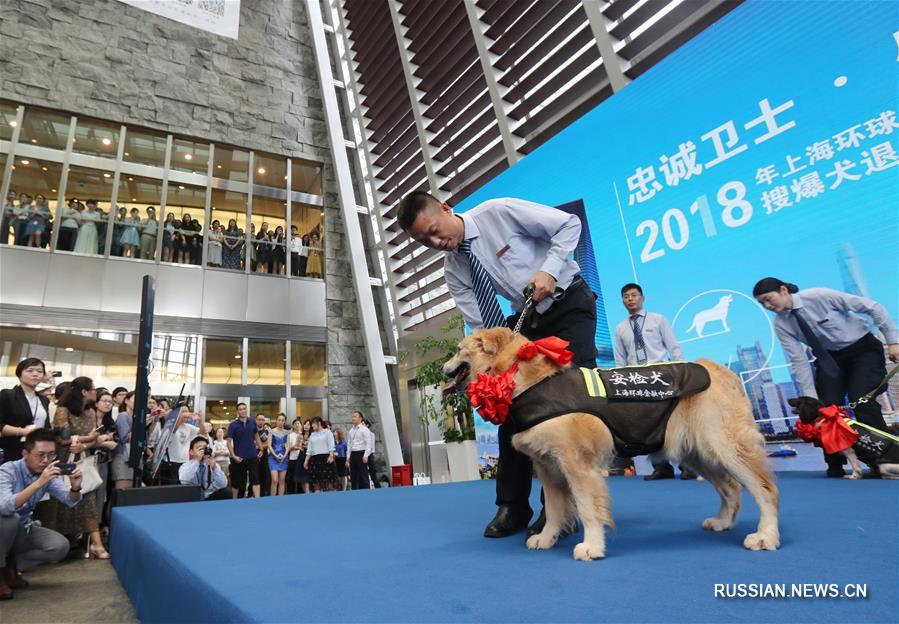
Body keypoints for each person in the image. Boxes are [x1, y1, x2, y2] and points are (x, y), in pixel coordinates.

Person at [398, 191, 597, 538]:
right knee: (512, 406)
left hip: (568, 305)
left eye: (433, 229)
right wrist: (488, 373)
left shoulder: (498, 212)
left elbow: (569, 224)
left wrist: (548, 270)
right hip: (527, 321)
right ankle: (512, 506)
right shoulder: (455, 270)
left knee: (572, 400)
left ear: (446, 209)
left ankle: (563, 507)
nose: (434, 241)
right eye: (423, 240)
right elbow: (481, 326)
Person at [753, 277, 899, 478]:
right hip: (828, 359)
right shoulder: (781, 324)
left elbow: (873, 307)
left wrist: (893, 341)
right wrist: (809, 398)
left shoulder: (820, 296)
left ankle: (887, 460)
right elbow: (799, 361)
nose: (768, 306)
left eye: (769, 299)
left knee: (862, 402)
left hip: (862, 350)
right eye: (762, 304)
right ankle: (835, 463)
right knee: (824, 409)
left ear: (783, 290)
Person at [611, 283, 696, 480]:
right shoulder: (620, 328)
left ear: (642, 298)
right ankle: (661, 467)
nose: (630, 299)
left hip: (662, 375)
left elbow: (674, 348)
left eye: (633, 295)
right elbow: (619, 360)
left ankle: (687, 465)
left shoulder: (658, 319)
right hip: (637, 381)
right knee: (648, 426)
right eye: (626, 296)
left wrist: (681, 375)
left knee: (673, 422)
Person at [0, 429, 83, 600]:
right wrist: (39, 483)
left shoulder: (48, 474)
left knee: (60, 546)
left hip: (25, 527)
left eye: (51, 455)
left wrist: (75, 487)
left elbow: (70, 501)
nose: (46, 461)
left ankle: (11, 567)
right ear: (26, 454)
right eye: (40, 455)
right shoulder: (8, 470)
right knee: (10, 519)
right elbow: (5, 507)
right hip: (5, 527)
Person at [0, 358, 52, 465]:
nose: (35, 374)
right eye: (30, 370)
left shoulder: (44, 400)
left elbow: (46, 426)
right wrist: (23, 432)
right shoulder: (8, 395)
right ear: (20, 374)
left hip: (40, 453)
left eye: (39, 371)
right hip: (14, 450)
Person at [225, 403, 262, 499]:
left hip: (252, 456)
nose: (243, 411)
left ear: (247, 410)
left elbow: (256, 435)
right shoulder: (233, 425)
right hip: (238, 458)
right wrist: (233, 456)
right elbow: (228, 442)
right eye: (240, 409)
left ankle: (258, 501)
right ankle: (234, 501)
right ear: (237, 412)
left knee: (255, 480)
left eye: (244, 409)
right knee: (237, 483)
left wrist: (261, 448)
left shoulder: (253, 421)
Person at [179, 436, 230, 501]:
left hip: (208, 495)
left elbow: (223, 484)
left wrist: (215, 468)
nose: (202, 450)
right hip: (192, 496)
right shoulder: (185, 466)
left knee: (227, 492)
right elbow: (185, 480)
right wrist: (197, 461)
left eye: (205, 448)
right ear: (191, 452)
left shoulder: (211, 463)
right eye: (199, 448)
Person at [304, 417, 336, 493]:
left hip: (326, 458)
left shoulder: (327, 432)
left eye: (313, 424)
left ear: (319, 423)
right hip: (315, 460)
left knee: (329, 483)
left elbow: (331, 445)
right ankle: (317, 501)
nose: (312, 426)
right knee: (316, 484)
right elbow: (309, 449)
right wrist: (306, 461)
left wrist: (331, 456)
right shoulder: (312, 435)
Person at [347, 411, 372, 491]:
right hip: (353, 454)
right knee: (353, 475)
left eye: (355, 416)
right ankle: (355, 492)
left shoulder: (364, 429)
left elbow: (368, 443)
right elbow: (349, 444)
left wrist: (366, 455)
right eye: (353, 416)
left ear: (360, 418)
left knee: (363, 475)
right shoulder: (351, 431)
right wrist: (348, 456)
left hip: (361, 453)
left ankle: (366, 493)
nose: (353, 418)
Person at [267, 414, 289, 495]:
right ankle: (273, 500)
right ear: (276, 420)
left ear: (284, 421)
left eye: (282, 420)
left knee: (282, 480)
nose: (280, 422)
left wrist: (284, 456)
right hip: (273, 458)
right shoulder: (271, 431)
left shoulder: (287, 432)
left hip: (284, 457)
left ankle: (281, 500)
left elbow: (288, 446)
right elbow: (269, 445)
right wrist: (275, 456)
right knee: (275, 480)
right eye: (279, 420)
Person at [255, 414, 271, 496]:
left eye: (262, 420)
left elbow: (267, 444)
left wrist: (258, 446)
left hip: (264, 457)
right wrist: (260, 445)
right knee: (255, 478)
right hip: (253, 457)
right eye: (259, 419)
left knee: (265, 477)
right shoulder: (252, 431)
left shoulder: (266, 432)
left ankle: (264, 496)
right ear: (256, 420)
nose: (261, 421)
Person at [293, 419, 311, 494]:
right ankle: (306, 493)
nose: (306, 426)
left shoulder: (312, 435)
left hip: (309, 456)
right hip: (301, 456)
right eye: (305, 424)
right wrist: (300, 447)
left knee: (306, 477)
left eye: (308, 424)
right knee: (300, 478)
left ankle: (307, 493)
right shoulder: (300, 435)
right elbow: (295, 446)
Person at [362, 418, 380, 489]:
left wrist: (366, 454)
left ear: (367, 425)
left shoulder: (371, 434)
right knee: (363, 473)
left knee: (372, 472)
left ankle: (378, 487)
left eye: (363, 424)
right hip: (361, 454)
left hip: (369, 455)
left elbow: (371, 447)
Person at [333, 426, 348, 491]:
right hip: (335, 460)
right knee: (337, 475)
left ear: (339, 433)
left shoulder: (344, 442)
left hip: (343, 459)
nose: (334, 433)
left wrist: (347, 460)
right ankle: (338, 488)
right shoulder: (333, 442)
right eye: (333, 432)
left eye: (335, 432)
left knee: (343, 475)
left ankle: (344, 489)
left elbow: (347, 451)